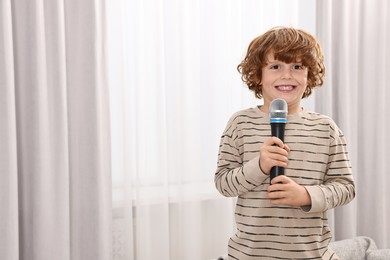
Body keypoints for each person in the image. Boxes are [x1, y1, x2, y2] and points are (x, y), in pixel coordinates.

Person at [214, 27, 355, 259]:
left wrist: (306, 195)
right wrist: (259, 166)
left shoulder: (325, 127)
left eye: (297, 67)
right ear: (258, 75)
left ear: (309, 75)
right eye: (276, 66)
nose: (287, 75)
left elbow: (346, 187)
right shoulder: (240, 123)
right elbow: (223, 183)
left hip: (312, 255)